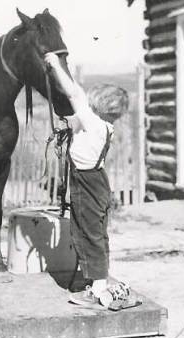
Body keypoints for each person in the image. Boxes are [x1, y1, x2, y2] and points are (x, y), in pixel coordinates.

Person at [45, 52, 136, 309]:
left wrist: (55, 65)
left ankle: (98, 290)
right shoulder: (104, 126)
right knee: (96, 232)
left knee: (88, 233)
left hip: (86, 182)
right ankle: (99, 281)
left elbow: (74, 93)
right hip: (96, 180)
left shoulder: (92, 123)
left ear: (98, 104)